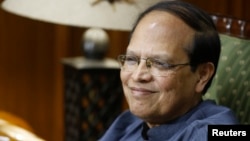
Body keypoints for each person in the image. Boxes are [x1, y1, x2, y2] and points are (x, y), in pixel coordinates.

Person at [99, 0, 239, 140]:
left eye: (160, 63)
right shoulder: (129, 122)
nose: (137, 76)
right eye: (131, 59)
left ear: (202, 75)